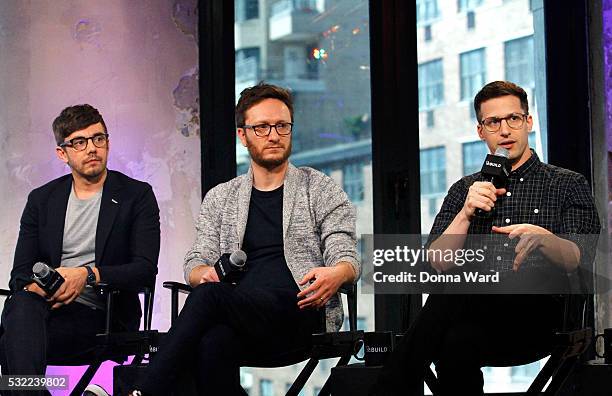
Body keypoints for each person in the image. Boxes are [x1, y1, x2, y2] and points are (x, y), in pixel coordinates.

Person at [372, 81, 600, 395]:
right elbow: (435, 263)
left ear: (528, 122)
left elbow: (581, 258)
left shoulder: (566, 183)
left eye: (513, 119)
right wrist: (465, 213)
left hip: (541, 318)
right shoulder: (465, 189)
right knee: (454, 341)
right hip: (473, 319)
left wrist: (545, 239)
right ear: (481, 131)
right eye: (493, 122)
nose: (505, 129)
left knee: (458, 292)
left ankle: (386, 389)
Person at [132, 82, 359, 395]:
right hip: (242, 317)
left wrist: (337, 274)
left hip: (301, 311)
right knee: (213, 342)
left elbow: (346, 255)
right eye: (262, 127)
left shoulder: (319, 189)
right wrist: (203, 274)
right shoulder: (222, 197)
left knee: (209, 297)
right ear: (243, 135)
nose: (274, 135)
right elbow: (196, 260)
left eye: (282, 125)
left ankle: (144, 390)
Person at [0, 104, 160, 396]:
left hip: (103, 317)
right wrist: (40, 288)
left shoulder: (137, 196)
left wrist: (86, 275)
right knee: (20, 306)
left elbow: (144, 271)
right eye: (79, 142)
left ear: (108, 142)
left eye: (98, 138)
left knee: (12, 349)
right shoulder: (41, 200)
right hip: (48, 313)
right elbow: (19, 276)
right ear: (63, 153)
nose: (92, 148)